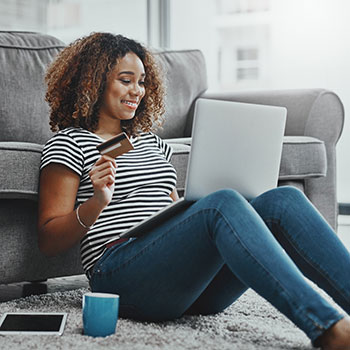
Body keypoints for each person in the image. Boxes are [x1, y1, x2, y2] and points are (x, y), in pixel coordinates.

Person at [38, 32, 350, 349]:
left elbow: (169, 209)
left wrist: (186, 210)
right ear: (93, 83)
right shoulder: (69, 143)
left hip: (189, 288)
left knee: (283, 200)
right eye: (126, 80)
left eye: (142, 82)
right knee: (221, 204)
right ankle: (327, 328)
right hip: (119, 275)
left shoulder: (153, 143)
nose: (137, 91)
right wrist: (96, 202)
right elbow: (49, 240)